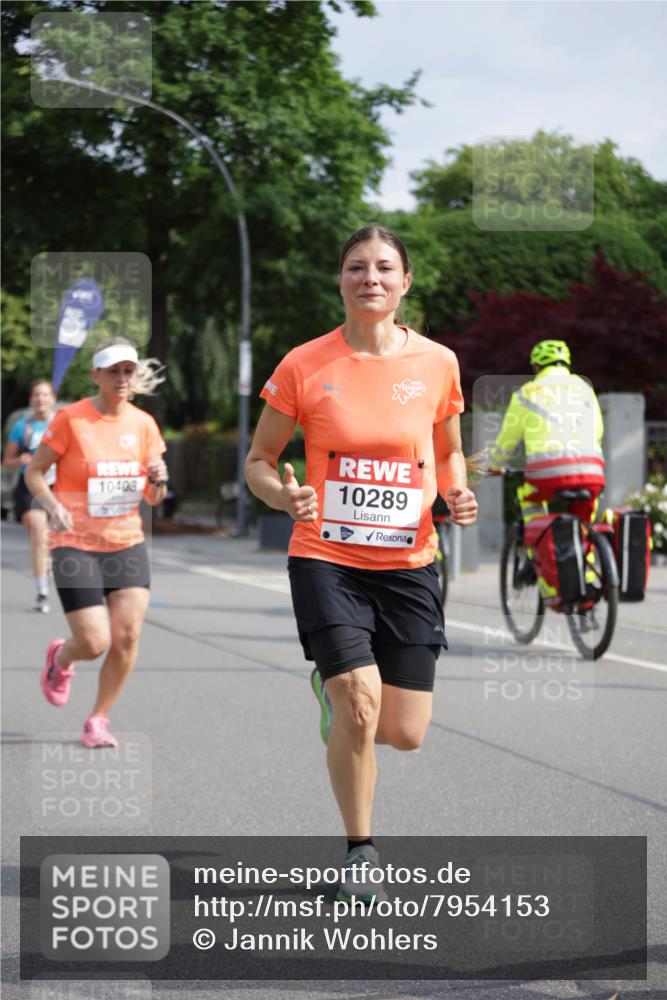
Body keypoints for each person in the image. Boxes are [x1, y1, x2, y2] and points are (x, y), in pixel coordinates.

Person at [245, 224, 478, 902]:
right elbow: (259, 460)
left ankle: (335, 693)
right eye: (355, 267)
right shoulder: (304, 364)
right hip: (326, 556)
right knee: (358, 704)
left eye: (382, 268)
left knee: (403, 732)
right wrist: (282, 496)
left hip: (409, 562)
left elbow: (447, 451)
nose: (369, 278)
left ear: (405, 282)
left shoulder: (437, 363)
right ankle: (360, 850)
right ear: (340, 279)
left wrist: (456, 491)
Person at [25, 337, 168, 749]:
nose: (122, 378)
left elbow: (154, 498)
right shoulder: (71, 419)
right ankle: (62, 658)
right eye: (113, 371)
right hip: (75, 542)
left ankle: (98, 719)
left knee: (128, 636)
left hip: (126, 541)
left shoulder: (144, 424)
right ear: (96, 375)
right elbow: (34, 472)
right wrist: (52, 505)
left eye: (128, 371)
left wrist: (159, 479)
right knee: (93, 642)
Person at [488, 340, 604, 589]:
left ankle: (537, 552)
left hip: (547, 473)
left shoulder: (527, 392)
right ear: (567, 364)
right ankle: (588, 577)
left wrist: (496, 464)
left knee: (528, 497)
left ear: (536, 366)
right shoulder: (584, 388)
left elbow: (508, 439)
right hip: (591, 470)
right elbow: (598, 430)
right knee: (584, 520)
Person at [3, 379, 58, 612]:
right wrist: (20, 460)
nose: (40, 399)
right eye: (36, 394)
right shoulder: (22, 426)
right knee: (38, 533)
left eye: (45, 394)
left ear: (53, 399)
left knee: (52, 538)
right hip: (29, 485)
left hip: (57, 485)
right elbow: (7, 461)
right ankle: (42, 591)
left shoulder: (61, 423)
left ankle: (48, 561)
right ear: (31, 399)